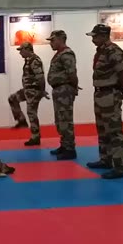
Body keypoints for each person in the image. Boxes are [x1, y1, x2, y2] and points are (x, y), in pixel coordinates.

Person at [85, 24, 123, 179]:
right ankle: (106, 159)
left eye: (95, 36)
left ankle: (119, 166)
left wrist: (120, 91)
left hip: (110, 93)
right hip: (100, 94)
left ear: (104, 36)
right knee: (102, 129)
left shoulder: (113, 51)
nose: (93, 39)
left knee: (114, 130)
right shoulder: (101, 51)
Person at [46, 30, 79, 160]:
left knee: (65, 119)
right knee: (60, 120)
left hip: (64, 90)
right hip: (59, 90)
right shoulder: (59, 54)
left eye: (53, 40)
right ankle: (64, 145)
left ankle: (70, 149)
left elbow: (72, 73)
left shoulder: (67, 54)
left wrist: (74, 87)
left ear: (61, 39)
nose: (51, 43)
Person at [8, 42, 48, 146]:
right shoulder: (28, 60)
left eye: (21, 50)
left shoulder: (35, 60)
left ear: (27, 49)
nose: (20, 52)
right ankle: (21, 120)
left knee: (31, 112)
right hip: (27, 90)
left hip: (34, 91)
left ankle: (35, 137)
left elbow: (40, 77)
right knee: (12, 99)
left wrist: (42, 91)